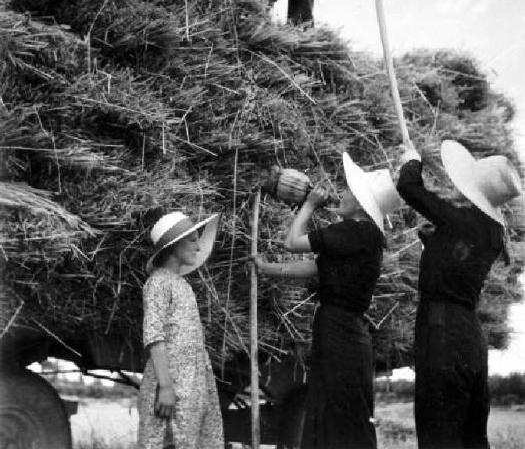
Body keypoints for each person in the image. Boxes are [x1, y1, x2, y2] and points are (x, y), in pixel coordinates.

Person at [254, 152, 402, 449]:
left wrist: (308, 205)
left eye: (349, 192)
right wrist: (267, 268)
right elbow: (317, 268)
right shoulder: (364, 237)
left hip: (339, 332)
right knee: (342, 411)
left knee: (335, 411)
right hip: (346, 332)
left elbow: (292, 242)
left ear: (360, 203)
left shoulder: (354, 231)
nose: (342, 195)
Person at [396, 139, 521, 449]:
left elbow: (409, 188)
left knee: (439, 431)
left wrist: (411, 160)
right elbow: (458, 256)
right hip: (469, 336)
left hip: (441, 331)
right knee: (471, 436)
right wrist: (436, 243)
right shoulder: (492, 234)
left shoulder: (461, 220)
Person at [137, 210, 224, 449]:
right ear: (174, 246)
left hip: (192, 381)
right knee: (165, 438)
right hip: (172, 380)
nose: (198, 248)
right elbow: (154, 336)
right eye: (193, 240)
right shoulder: (157, 283)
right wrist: (165, 386)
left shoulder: (182, 284)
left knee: (189, 440)